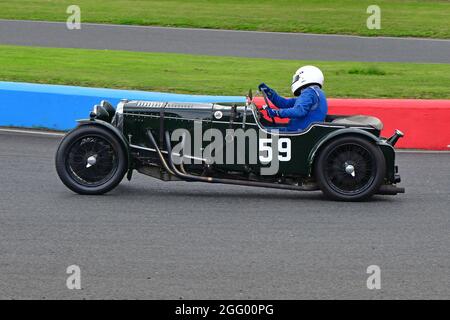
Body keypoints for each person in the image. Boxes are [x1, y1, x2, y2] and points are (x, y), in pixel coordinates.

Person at [258, 65, 328, 132]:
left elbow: (299, 111)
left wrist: (276, 112)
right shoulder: (316, 92)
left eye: (297, 78)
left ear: (304, 78)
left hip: (298, 131)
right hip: (304, 129)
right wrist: (269, 92)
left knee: (260, 132)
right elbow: (284, 103)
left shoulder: (309, 93)